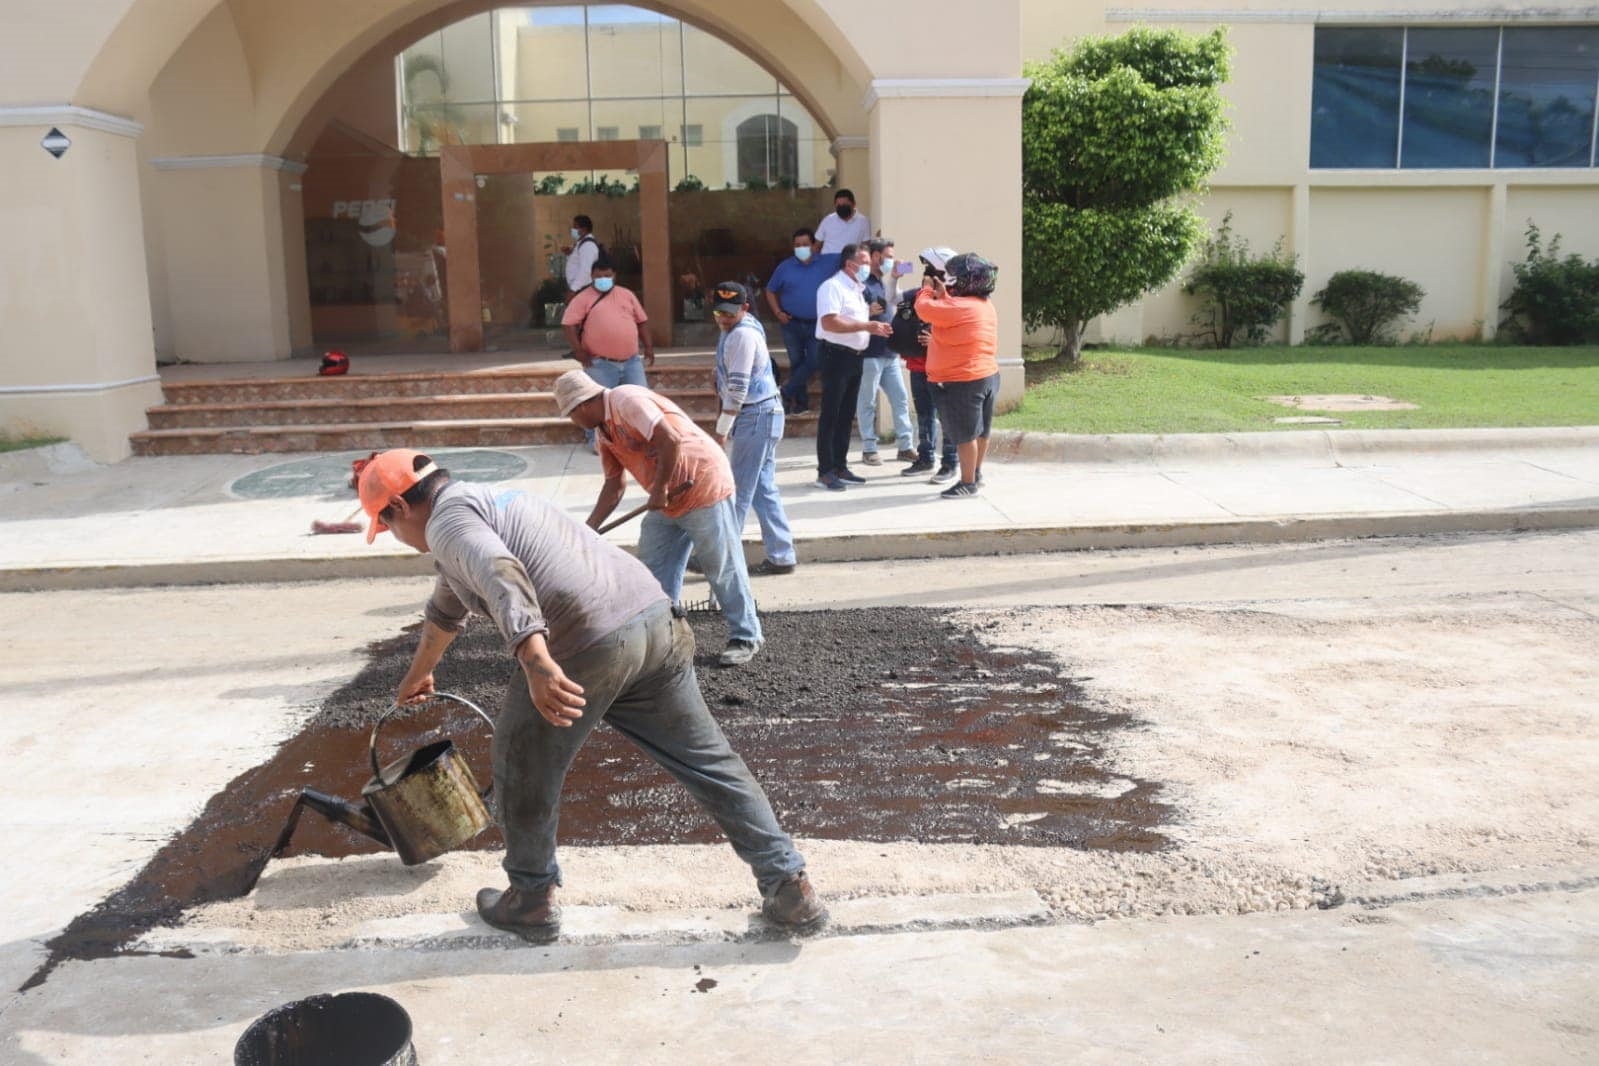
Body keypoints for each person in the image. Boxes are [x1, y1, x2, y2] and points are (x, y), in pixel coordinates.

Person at [357, 449, 826, 942]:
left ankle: (531, 898)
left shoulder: (448, 525)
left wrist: (535, 662)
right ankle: (789, 885)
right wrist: (417, 676)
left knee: (521, 762)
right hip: (655, 623)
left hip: (590, 640)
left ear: (399, 509)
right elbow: (445, 611)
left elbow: (501, 575)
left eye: (385, 525)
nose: (394, 537)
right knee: (709, 762)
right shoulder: (486, 503)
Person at [554, 370, 766, 665]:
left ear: (583, 405)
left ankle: (746, 635)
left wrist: (660, 487)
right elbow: (614, 486)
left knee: (721, 565)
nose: (573, 422)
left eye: (571, 415)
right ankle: (663, 636)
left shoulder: (626, 400)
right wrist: (586, 531)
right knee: (652, 570)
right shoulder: (604, 432)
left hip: (701, 483)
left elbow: (670, 439)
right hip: (667, 500)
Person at [710, 280, 797, 577]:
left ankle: (721, 560)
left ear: (745, 308)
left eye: (729, 314)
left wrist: (721, 429)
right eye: (719, 313)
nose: (723, 319)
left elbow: (737, 388)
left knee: (738, 491)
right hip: (763, 414)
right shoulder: (737, 329)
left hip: (755, 415)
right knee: (762, 488)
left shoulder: (742, 336)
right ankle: (782, 555)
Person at [916, 252, 1001, 499]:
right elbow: (951, 314)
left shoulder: (958, 306)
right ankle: (975, 474)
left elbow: (924, 309)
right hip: (987, 375)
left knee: (964, 435)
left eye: (955, 277)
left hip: (961, 381)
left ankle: (967, 483)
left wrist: (926, 290)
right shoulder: (984, 306)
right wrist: (943, 295)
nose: (951, 280)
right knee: (981, 432)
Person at [812, 243, 893, 492]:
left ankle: (840, 465)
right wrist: (866, 326)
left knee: (846, 414)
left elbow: (857, 320)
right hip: (836, 355)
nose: (869, 267)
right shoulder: (832, 287)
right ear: (850, 264)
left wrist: (873, 326)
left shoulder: (858, 289)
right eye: (865, 262)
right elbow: (830, 322)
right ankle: (825, 471)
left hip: (856, 356)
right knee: (832, 414)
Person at [561, 253, 655, 451]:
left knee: (640, 401)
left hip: (631, 361)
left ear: (615, 276)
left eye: (607, 275)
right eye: (599, 276)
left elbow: (642, 322)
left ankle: (642, 439)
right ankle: (597, 442)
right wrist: (578, 350)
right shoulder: (583, 298)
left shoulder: (627, 294)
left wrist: (648, 347)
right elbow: (568, 324)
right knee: (597, 405)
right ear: (592, 276)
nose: (603, 279)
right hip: (599, 363)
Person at [898, 246, 960, 480]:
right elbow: (895, 298)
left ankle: (950, 462)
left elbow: (959, 329)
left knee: (946, 415)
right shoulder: (920, 294)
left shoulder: (955, 296)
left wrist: (936, 339)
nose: (926, 272)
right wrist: (895, 277)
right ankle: (925, 458)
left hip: (943, 367)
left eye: (930, 268)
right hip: (918, 365)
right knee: (924, 415)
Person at [854, 238, 917, 467]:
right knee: (867, 402)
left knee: (900, 398)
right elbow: (848, 313)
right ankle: (869, 448)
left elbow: (895, 299)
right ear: (876, 256)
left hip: (890, 353)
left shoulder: (883, 282)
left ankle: (905, 446)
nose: (891, 260)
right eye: (888, 256)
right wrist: (866, 311)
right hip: (869, 353)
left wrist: (896, 277)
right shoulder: (860, 283)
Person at [764, 227, 840, 415]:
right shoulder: (785, 267)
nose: (801, 248)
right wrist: (777, 312)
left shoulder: (828, 262)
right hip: (791, 323)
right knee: (797, 362)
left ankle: (786, 391)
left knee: (814, 360)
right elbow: (770, 290)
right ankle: (800, 403)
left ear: (814, 245)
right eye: (797, 245)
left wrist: (870, 243)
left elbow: (852, 257)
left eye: (805, 244)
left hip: (817, 324)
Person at [813, 188, 871, 254]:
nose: (842, 207)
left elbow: (866, 246)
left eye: (845, 205)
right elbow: (817, 246)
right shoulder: (827, 220)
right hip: (829, 260)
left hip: (851, 260)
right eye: (838, 205)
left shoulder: (863, 221)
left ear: (854, 204)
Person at [564, 214, 601, 295]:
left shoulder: (588, 245)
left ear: (584, 229)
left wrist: (573, 289)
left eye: (575, 227)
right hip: (580, 288)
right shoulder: (581, 243)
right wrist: (569, 254)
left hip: (582, 288)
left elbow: (585, 270)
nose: (572, 229)